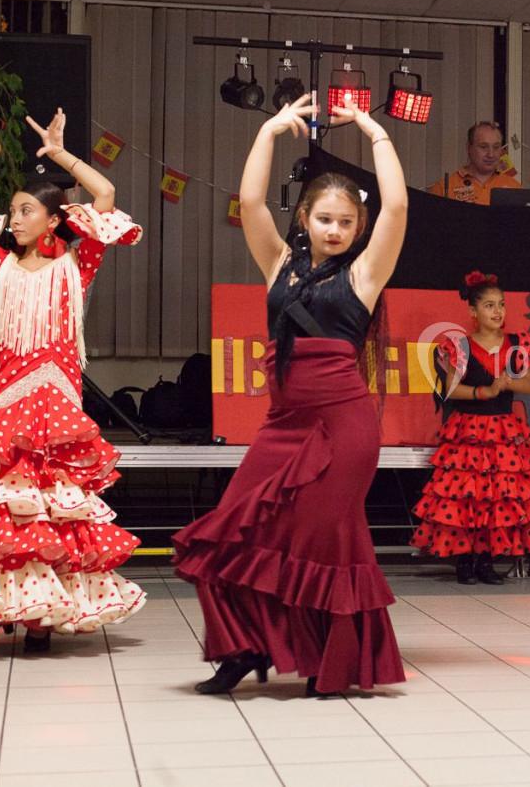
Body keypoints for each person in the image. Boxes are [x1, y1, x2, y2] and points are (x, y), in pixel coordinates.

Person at [173, 93, 408, 696]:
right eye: (324, 218)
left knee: (324, 543)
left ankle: (326, 662)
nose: (335, 229)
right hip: (284, 426)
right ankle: (246, 648)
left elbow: (397, 207)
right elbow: (250, 201)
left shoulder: (364, 274)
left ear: (357, 229)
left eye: (346, 222)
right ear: (303, 217)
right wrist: (270, 133)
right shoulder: (277, 263)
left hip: (344, 428)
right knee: (236, 532)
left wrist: (377, 136)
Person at [0, 106, 146, 652]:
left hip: (55, 400)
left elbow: (107, 195)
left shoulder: (78, 261)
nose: (13, 219)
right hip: (2, 402)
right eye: (12, 211)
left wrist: (58, 153)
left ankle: (42, 619)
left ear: (52, 220)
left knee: (47, 514)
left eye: (25, 211)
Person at [410, 271, 530, 584]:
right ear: (473, 311)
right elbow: (452, 389)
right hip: (469, 430)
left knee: (497, 497)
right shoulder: (460, 346)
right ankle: (464, 560)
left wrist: (508, 383)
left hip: (502, 430)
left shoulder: (518, 343)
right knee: (466, 496)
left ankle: (486, 561)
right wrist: (483, 392)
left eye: (501, 305)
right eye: (489, 306)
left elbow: (527, 384)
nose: (497, 311)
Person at [427, 121, 520, 205]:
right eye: (483, 147)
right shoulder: (443, 187)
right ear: (469, 148)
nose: (491, 154)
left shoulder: (514, 187)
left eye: (496, 147)